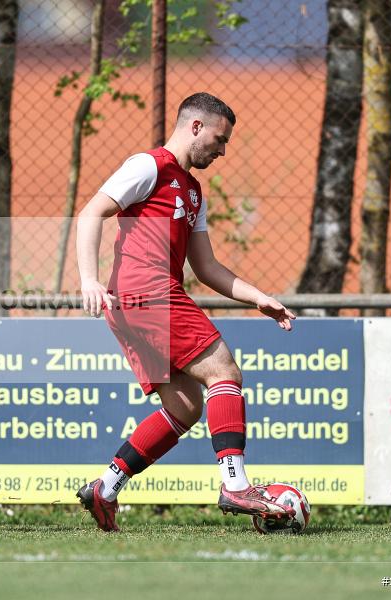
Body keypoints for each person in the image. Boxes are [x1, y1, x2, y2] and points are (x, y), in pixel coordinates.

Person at [74, 92, 296, 532]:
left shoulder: (193, 192)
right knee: (224, 373)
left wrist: (258, 298)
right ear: (195, 126)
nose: (223, 149)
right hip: (147, 292)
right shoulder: (149, 165)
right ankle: (236, 484)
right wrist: (87, 278)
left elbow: (207, 267)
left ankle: (106, 486)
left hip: (136, 302)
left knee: (185, 407)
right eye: (219, 138)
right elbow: (91, 213)